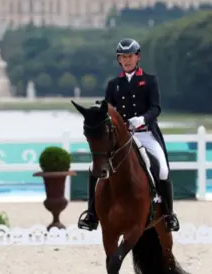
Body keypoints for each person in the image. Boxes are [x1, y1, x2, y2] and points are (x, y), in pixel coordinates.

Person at [77, 38, 180, 233]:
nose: (127, 60)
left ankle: (168, 214)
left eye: (130, 56)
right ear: (119, 60)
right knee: (94, 168)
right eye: (123, 57)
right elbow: (107, 111)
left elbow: (156, 108)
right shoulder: (114, 84)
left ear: (137, 57)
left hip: (146, 134)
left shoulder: (149, 80)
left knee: (163, 170)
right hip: (122, 138)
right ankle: (91, 214)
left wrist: (142, 119)